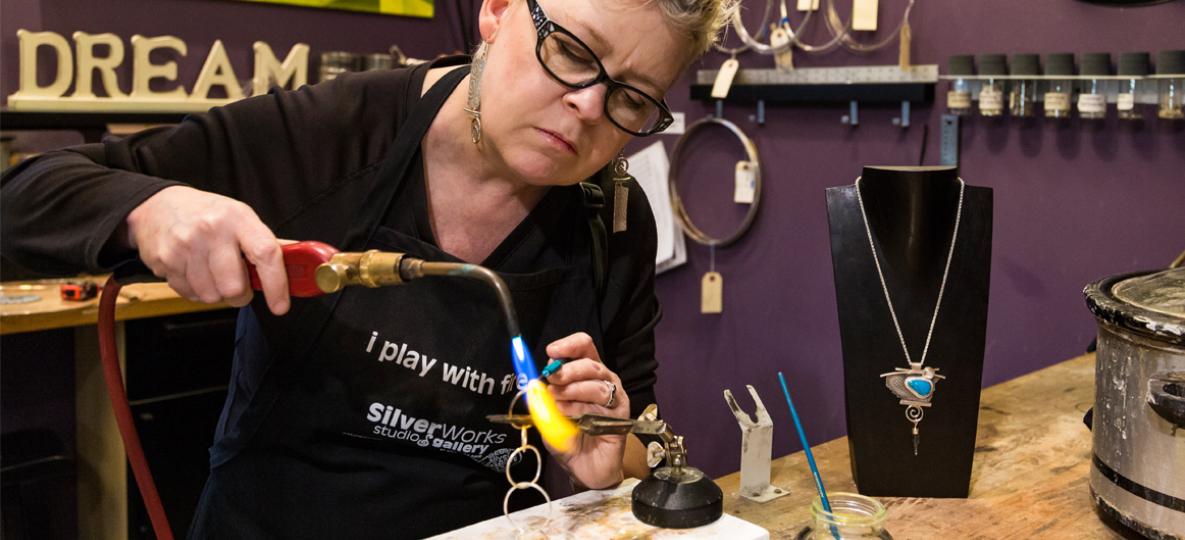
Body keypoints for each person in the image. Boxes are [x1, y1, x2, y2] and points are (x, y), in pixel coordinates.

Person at [1, 0, 735, 536]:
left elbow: (630, 423)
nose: (586, 106)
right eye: (572, 51)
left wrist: (600, 453)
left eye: (633, 97)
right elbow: (24, 195)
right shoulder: (324, 137)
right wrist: (152, 206)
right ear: (498, 11)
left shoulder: (613, 213)